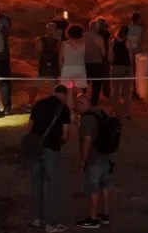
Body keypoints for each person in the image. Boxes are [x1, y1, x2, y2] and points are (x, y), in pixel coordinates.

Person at [27, 85, 71, 233]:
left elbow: (30, 127)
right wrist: (59, 143)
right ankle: (51, 223)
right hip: (51, 149)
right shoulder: (64, 110)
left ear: (54, 93)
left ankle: (37, 218)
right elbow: (65, 136)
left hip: (34, 148)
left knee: (36, 184)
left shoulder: (38, 104)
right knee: (51, 186)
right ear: (64, 96)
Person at [75, 92, 113, 229]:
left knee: (93, 188)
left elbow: (87, 141)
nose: (77, 106)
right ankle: (105, 215)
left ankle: (93, 218)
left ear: (84, 103)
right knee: (104, 186)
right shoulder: (100, 112)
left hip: (94, 158)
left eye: (79, 103)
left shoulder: (86, 120)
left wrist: (82, 162)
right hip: (105, 156)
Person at [25, 22, 61, 111]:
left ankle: (30, 103)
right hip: (49, 66)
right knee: (48, 86)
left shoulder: (41, 40)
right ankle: (31, 103)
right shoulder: (56, 41)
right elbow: (57, 53)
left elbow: (38, 52)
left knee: (44, 86)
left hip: (47, 66)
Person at [108, 25, 134, 119]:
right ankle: (127, 112)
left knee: (115, 92)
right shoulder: (127, 42)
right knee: (127, 92)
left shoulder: (113, 42)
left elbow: (110, 56)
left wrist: (112, 64)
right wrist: (131, 67)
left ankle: (116, 111)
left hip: (115, 68)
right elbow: (131, 56)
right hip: (126, 68)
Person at [84, 21, 107, 107]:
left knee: (84, 85)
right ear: (94, 27)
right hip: (97, 63)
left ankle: (82, 102)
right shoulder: (99, 38)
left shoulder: (83, 36)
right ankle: (94, 104)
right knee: (96, 86)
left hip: (85, 63)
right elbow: (104, 52)